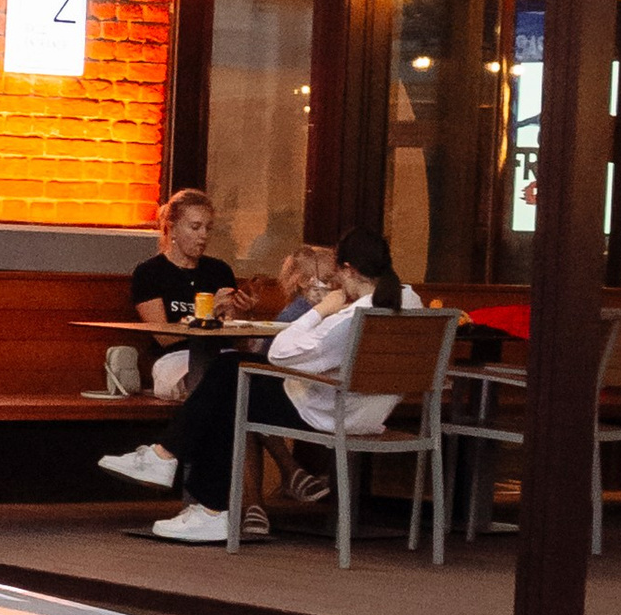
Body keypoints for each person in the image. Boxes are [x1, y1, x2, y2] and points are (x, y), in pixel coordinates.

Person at [150, 226, 425, 545]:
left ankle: (203, 502)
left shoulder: (352, 317)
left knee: (229, 377)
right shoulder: (410, 300)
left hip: (333, 412)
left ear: (348, 270)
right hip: (372, 413)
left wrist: (322, 309)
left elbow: (281, 353)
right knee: (232, 376)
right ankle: (188, 482)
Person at [99, 190, 239, 493]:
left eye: (208, 228)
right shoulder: (151, 273)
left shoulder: (219, 271)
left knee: (238, 392)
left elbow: (232, 329)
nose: (203, 236)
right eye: (195, 227)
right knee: (232, 394)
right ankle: (216, 499)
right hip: (174, 359)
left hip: (220, 356)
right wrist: (207, 313)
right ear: (171, 227)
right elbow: (163, 336)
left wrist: (239, 310)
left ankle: (168, 462)